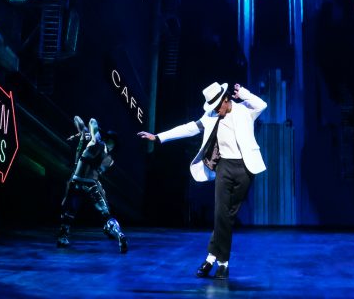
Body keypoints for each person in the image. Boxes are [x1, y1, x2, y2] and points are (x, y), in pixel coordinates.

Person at [138, 82, 266, 280]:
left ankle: (210, 258)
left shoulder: (245, 111)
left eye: (218, 106)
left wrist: (243, 93)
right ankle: (223, 264)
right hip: (224, 167)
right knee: (220, 214)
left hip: (246, 168)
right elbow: (190, 128)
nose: (216, 110)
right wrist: (159, 137)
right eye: (213, 107)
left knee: (227, 217)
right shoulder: (211, 116)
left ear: (226, 99)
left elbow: (262, 105)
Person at [57, 116, 127, 253]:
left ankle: (63, 237)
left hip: (78, 182)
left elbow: (92, 120)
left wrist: (93, 132)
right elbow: (97, 173)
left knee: (69, 211)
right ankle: (119, 234)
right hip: (90, 185)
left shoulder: (95, 143)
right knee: (105, 214)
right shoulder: (109, 159)